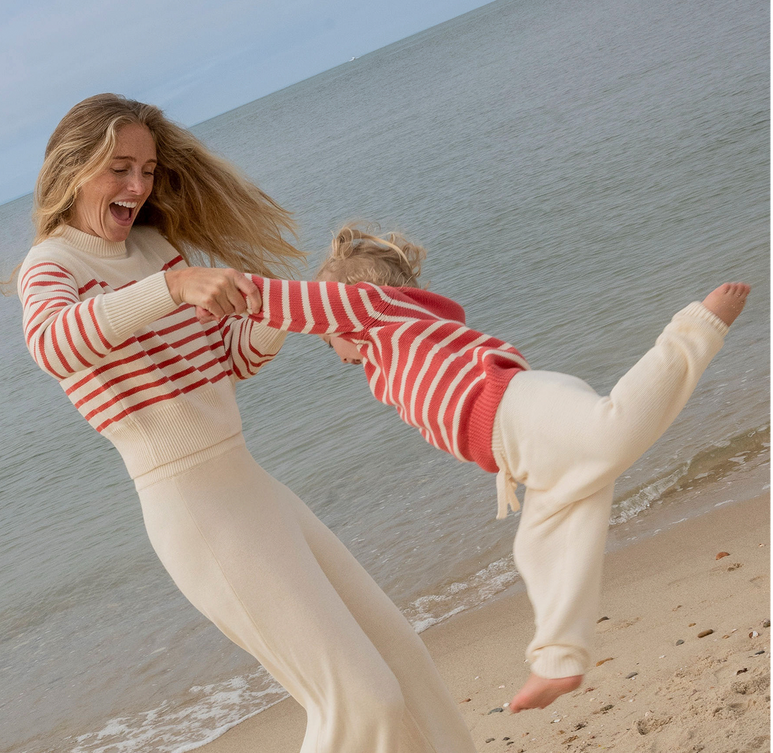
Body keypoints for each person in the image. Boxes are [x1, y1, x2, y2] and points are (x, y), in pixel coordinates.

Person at [18, 96, 578, 753]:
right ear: (73, 168)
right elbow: (58, 343)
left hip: (253, 488)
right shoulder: (50, 268)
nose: (136, 183)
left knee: (401, 663)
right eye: (119, 167)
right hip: (193, 508)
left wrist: (321, 305)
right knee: (356, 697)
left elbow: (233, 354)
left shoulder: (155, 251)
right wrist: (171, 286)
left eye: (148, 169)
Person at [226, 225, 749, 715]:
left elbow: (296, 303)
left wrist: (224, 295)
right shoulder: (393, 341)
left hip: (522, 410)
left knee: (611, 431)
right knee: (541, 544)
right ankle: (559, 662)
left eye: (328, 340)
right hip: (520, 449)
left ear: (353, 303)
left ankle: (696, 328)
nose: (337, 355)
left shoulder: (375, 312)